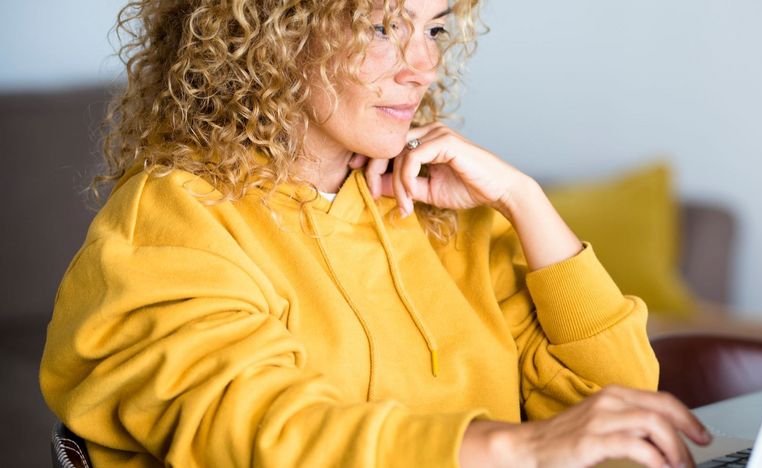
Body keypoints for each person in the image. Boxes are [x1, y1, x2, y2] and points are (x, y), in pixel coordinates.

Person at [40, 0, 712, 466]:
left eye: (436, 29)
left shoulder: (447, 212)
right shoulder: (175, 216)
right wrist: (520, 450)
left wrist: (524, 199)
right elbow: (260, 436)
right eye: (384, 26)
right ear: (273, 34)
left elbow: (617, 408)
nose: (422, 64)